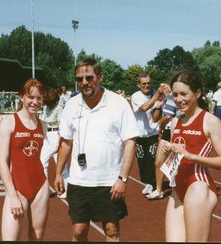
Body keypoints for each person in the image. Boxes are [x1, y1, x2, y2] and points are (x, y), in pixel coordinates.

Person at [54, 58, 139, 242]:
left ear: (100, 77)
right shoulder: (72, 104)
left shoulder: (118, 104)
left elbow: (130, 142)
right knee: (79, 230)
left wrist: (122, 178)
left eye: (89, 77)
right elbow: (66, 142)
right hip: (79, 181)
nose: (84, 83)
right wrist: (58, 172)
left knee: (111, 230)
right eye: (79, 79)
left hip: (109, 182)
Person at [163, 69, 221, 242]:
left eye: (184, 94)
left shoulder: (210, 121)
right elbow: (170, 162)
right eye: (175, 95)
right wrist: (165, 150)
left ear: (198, 92)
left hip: (198, 186)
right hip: (178, 188)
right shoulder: (174, 122)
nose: (179, 99)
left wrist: (192, 156)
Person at [0, 78, 49, 241]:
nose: (35, 102)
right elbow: (2, 162)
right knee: (10, 239)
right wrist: (12, 195)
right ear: (21, 97)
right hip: (18, 186)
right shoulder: (8, 123)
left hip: (40, 184)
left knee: (37, 236)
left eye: (39, 98)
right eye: (31, 98)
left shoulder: (43, 125)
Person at [131, 74, 168, 195]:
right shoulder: (136, 96)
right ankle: (147, 182)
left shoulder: (156, 94)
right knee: (142, 160)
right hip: (140, 133)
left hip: (152, 132)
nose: (147, 86)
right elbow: (144, 107)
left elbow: (156, 119)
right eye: (144, 84)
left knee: (153, 159)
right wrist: (157, 95)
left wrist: (159, 105)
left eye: (148, 83)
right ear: (139, 85)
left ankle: (152, 183)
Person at [147, 90, 179, 200]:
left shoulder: (172, 96)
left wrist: (160, 127)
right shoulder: (168, 99)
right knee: (160, 161)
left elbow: (167, 116)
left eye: (165, 88)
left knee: (174, 161)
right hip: (171, 131)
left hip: (173, 131)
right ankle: (159, 190)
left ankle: (161, 189)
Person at [40, 88, 69, 198]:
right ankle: (43, 189)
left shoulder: (59, 108)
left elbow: (62, 126)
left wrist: (59, 142)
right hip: (47, 136)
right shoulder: (46, 108)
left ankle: (67, 188)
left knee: (62, 165)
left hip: (56, 135)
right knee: (42, 162)